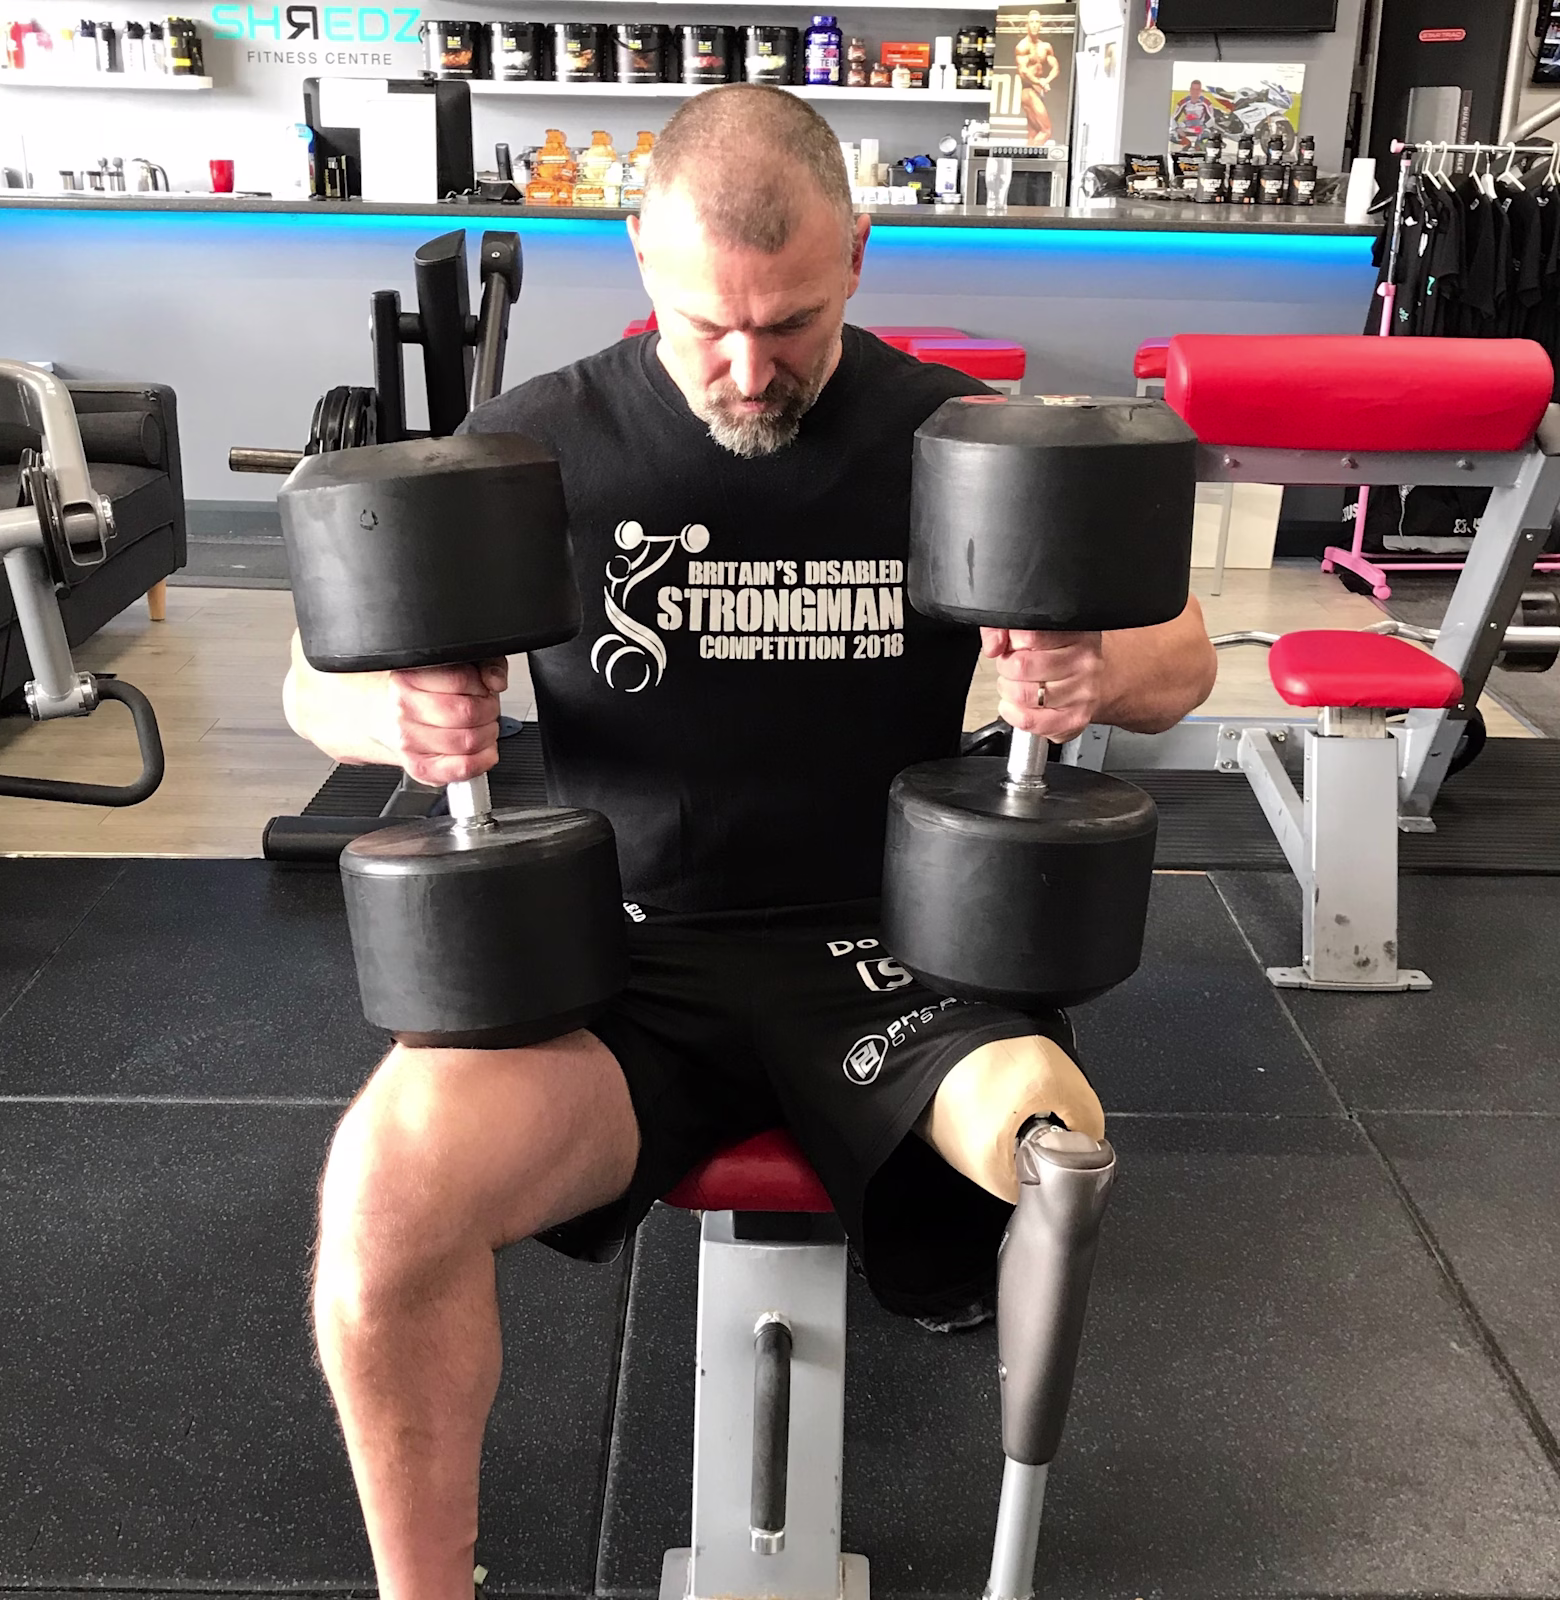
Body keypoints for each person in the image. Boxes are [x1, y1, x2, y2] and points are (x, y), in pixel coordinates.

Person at [282, 85, 1217, 1600]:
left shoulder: (947, 436)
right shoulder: (534, 443)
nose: (745, 364)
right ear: (639, 255)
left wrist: (1095, 670)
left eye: (786, 322)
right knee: (386, 1197)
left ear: (858, 254)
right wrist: (401, 713)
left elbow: (1184, 653)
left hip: (900, 953)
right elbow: (309, 681)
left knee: (1061, 1152)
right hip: (624, 959)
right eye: (707, 321)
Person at [1013, 10, 1060, 147]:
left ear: (1041, 25)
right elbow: (1023, 71)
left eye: (1037, 22)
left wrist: (1046, 81)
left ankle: (1025, 165)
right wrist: (1040, 82)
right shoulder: (1022, 47)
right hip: (1028, 91)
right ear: (1026, 24)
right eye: (1031, 22)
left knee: (1033, 133)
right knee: (1046, 131)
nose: (1034, 25)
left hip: (1039, 91)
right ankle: (1028, 160)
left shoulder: (1046, 47)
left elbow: (1056, 68)